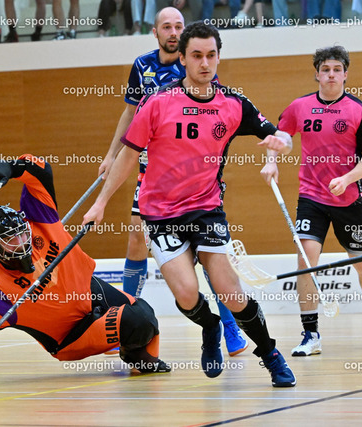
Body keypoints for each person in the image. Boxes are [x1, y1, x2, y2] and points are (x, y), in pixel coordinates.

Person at [84, 21, 297, 387]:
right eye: (197, 55)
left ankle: (270, 354)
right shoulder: (157, 103)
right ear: (182, 58)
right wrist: (100, 202)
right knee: (185, 293)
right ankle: (210, 326)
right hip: (160, 213)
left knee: (230, 291)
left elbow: (279, 134)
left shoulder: (233, 104)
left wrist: (283, 144)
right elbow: (128, 155)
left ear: (219, 57)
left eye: (211, 55)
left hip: (206, 208)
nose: (205, 63)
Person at [0, 154, 170, 374]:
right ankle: (131, 352)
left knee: (145, 313)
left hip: (90, 290)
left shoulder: (40, 217)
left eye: (22, 234)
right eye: (11, 241)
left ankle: (137, 357)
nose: (22, 243)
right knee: (138, 321)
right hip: (72, 336)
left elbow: (41, 171)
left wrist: (12, 168)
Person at [98, 7, 249, 358]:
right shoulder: (142, 66)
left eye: (179, 26)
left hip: (194, 176)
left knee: (207, 251)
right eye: (167, 26)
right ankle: (124, 324)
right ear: (156, 32)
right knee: (136, 238)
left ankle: (229, 326)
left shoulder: (195, 65)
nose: (173, 32)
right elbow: (131, 113)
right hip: (150, 171)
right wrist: (111, 154)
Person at [263, 46, 362, 357]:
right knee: (305, 262)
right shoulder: (300, 106)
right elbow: (280, 137)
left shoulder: (359, 110)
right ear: (317, 74)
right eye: (325, 69)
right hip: (311, 197)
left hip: (349, 199)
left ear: (346, 74)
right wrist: (272, 160)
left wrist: (347, 179)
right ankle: (311, 334)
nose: (331, 75)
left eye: (337, 69)